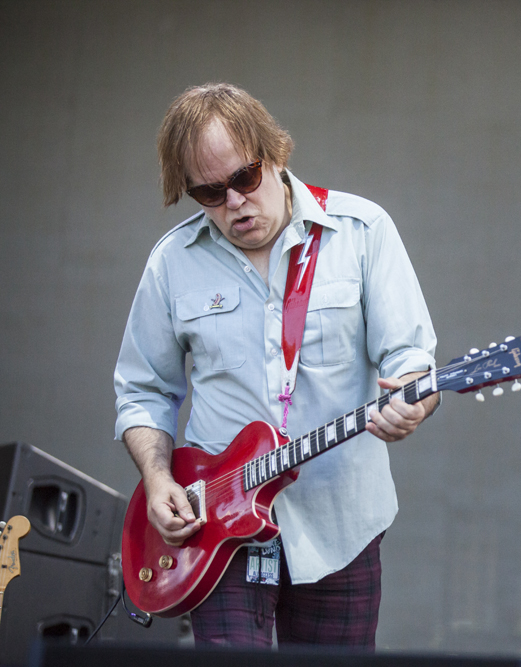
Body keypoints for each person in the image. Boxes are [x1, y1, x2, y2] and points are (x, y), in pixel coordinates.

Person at [114, 83, 439, 648]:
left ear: (276, 154)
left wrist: (413, 396)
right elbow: (143, 390)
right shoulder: (171, 262)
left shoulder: (361, 231)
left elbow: (411, 358)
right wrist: (159, 478)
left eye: (245, 178)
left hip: (341, 523)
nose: (234, 202)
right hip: (216, 528)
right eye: (209, 192)